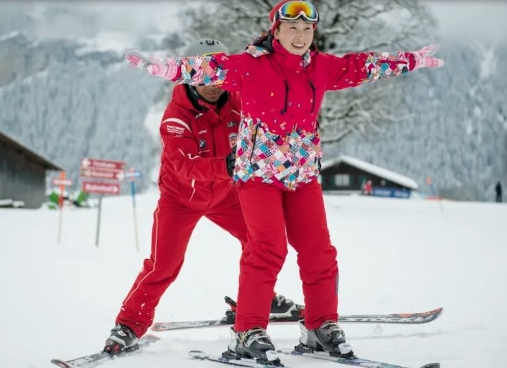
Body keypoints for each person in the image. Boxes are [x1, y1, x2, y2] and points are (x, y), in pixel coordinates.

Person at [125, 0, 444, 364]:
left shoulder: (322, 67)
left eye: (307, 29)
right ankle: (248, 331)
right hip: (257, 175)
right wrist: (165, 68)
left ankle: (320, 326)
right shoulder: (249, 66)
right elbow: (206, 68)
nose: (300, 35)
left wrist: (412, 60)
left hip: (302, 175)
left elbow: (364, 66)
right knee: (267, 247)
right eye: (291, 28)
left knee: (319, 251)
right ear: (275, 30)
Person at [103, 38, 297, 356]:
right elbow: (184, 166)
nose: (211, 82)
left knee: (262, 243)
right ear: (189, 74)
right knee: (163, 265)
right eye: (203, 74)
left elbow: (271, 95)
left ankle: (258, 300)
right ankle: (128, 325)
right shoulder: (176, 116)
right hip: (181, 199)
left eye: (218, 73)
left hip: (225, 196)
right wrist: (228, 164)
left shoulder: (238, 101)